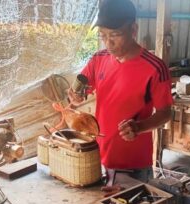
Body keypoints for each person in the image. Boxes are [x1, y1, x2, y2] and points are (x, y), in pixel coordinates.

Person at [68, 0, 173, 185]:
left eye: (115, 35)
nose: (108, 43)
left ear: (133, 30)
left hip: (133, 166)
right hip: (96, 157)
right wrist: (75, 97)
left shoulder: (155, 68)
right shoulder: (98, 59)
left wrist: (138, 127)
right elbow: (79, 93)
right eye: (103, 35)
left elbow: (166, 113)